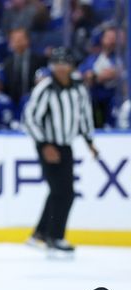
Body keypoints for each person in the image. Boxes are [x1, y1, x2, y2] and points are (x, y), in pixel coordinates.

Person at [23, 48, 97, 255]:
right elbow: (29, 119)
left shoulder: (79, 88)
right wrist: (45, 144)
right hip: (48, 145)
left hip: (66, 145)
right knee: (64, 192)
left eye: (65, 63)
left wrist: (90, 141)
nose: (61, 68)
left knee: (58, 191)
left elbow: (84, 116)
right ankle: (55, 237)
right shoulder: (45, 89)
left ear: (71, 66)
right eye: (57, 63)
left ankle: (40, 233)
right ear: (52, 66)